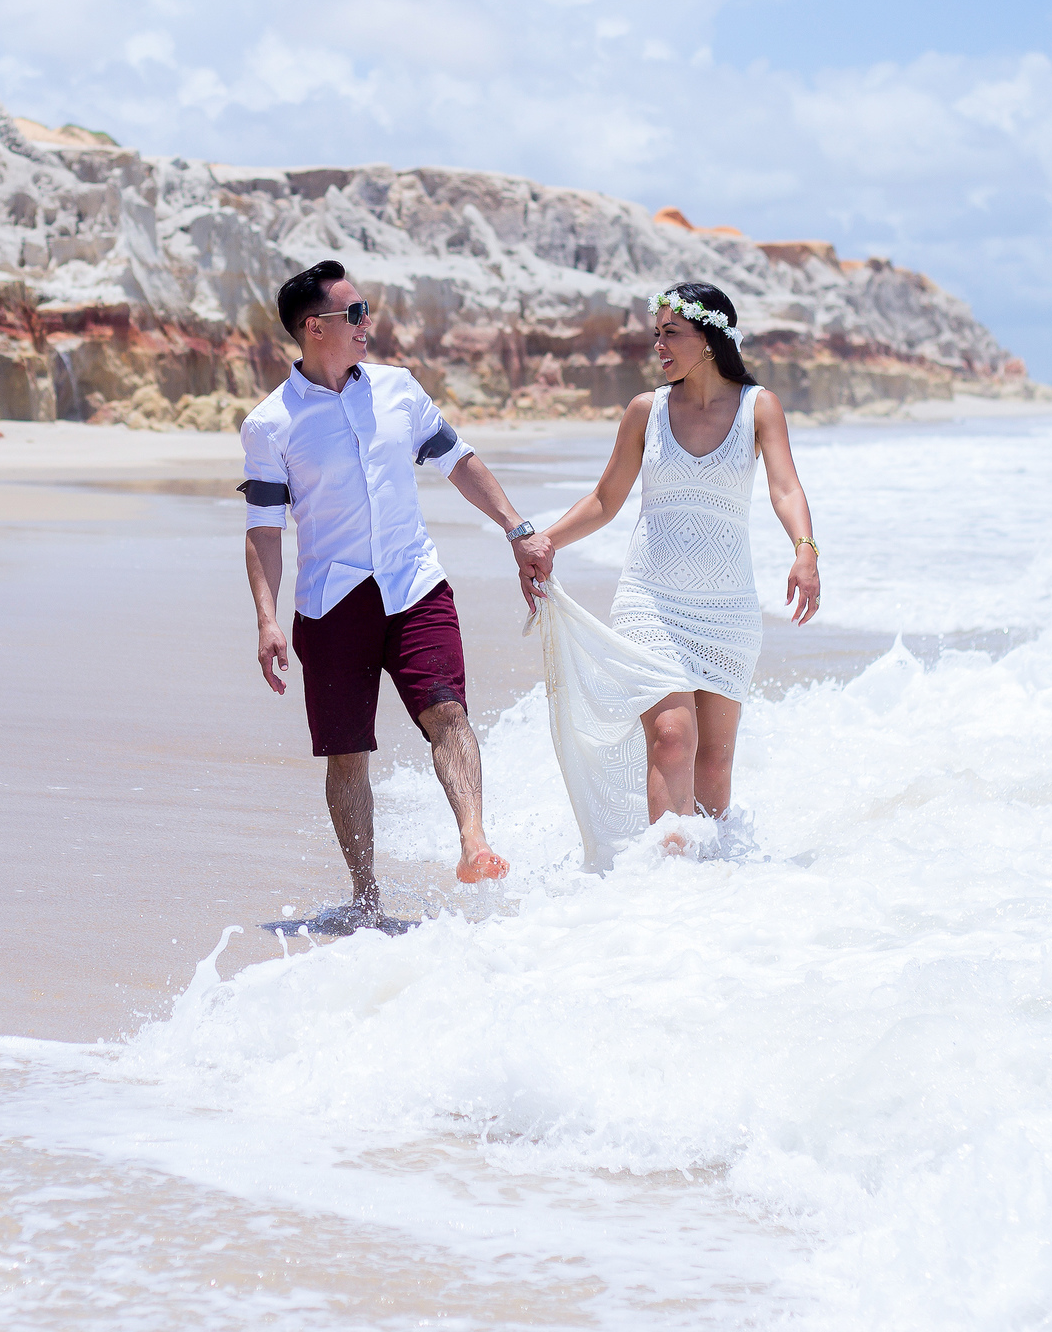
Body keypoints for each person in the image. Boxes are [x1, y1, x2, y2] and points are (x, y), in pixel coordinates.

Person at [240, 260, 554, 925]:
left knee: (447, 714)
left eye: (366, 311)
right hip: (332, 603)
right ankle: (365, 895)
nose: (367, 325)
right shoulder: (271, 424)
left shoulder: (399, 390)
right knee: (347, 751)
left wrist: (516, 528)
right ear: (312, 327)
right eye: (354, 314)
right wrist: (267, 621)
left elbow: (458, 461)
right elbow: (263, 530)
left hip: (415, 584)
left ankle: (474, 841)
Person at [539, 282, 818, 841]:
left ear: (709, 339)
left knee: (713, 764)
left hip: (727, 608)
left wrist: (804, 550)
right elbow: (604, 500)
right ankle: (663, 881)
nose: (659, 346)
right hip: (651, 599)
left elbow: (785, 488)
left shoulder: (758, 407)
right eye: (657, 334)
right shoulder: (646, 411)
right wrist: (546, 541)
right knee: (672, 737)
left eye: (671, 333)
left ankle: (706, 895)